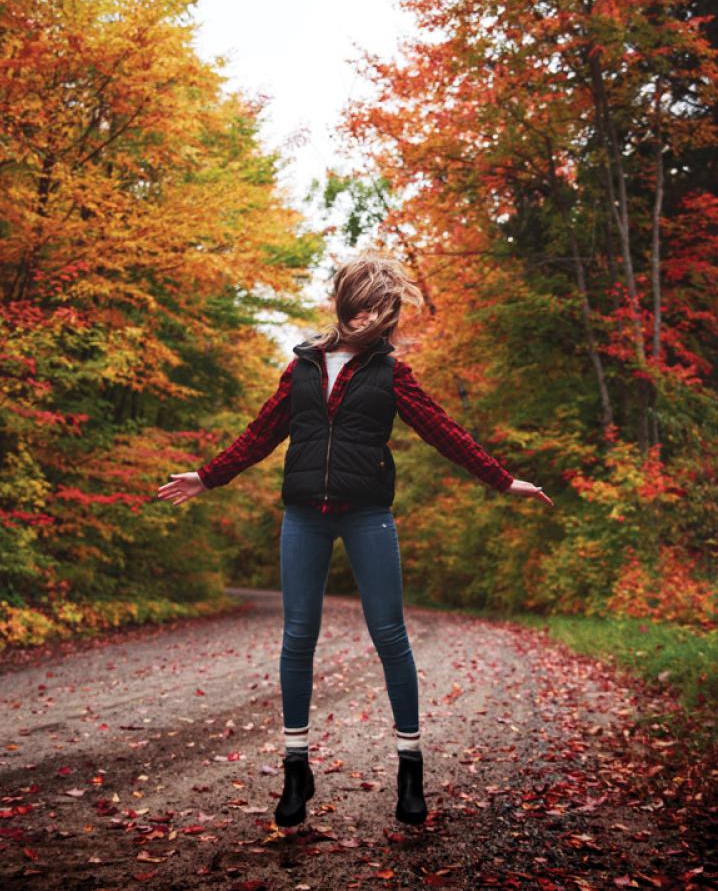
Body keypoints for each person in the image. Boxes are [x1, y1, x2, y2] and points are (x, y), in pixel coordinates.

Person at [156, 249, 553, 829]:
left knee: (390, 635)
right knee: (298, 637)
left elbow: (443, 429)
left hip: (367, 514)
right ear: (348, 304)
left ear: (389, 314)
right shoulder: (302, 368)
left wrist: (501, 479)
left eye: (382, 310)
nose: (372, 318)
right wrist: (209, 476)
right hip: (303, 517)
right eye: (365, 306)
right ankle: (296, 771)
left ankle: (410, 768)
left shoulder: (392, 373)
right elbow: (262, 433)